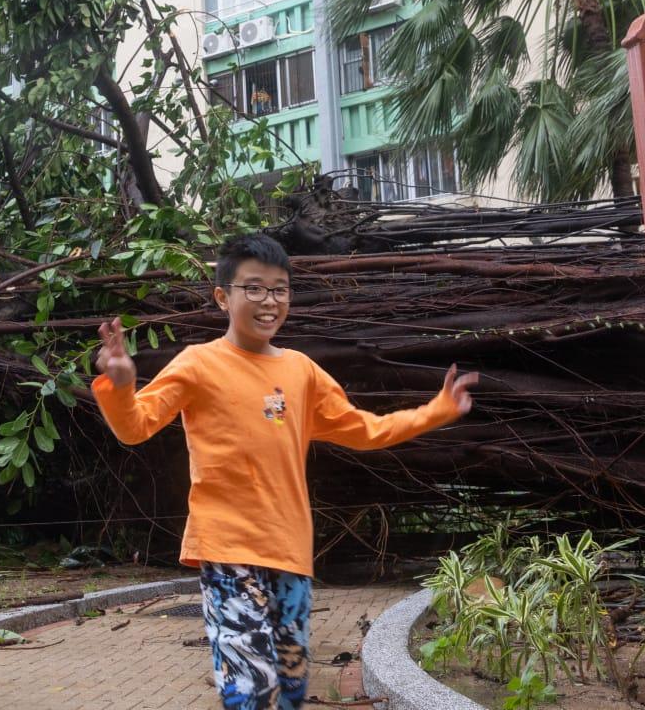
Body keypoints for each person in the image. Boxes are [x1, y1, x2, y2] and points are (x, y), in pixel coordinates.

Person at [91, 233, 477, 710]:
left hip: (290, 549)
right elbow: (135, 426)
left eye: (279, 289)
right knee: (250, 687)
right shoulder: (198, 363)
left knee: (291, 687)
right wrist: (120, 384)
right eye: (253, 288)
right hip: (227, 547)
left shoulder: (302, 371)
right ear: (222, 296)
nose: (268, 301)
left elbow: (365, 429)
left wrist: (436, 410)